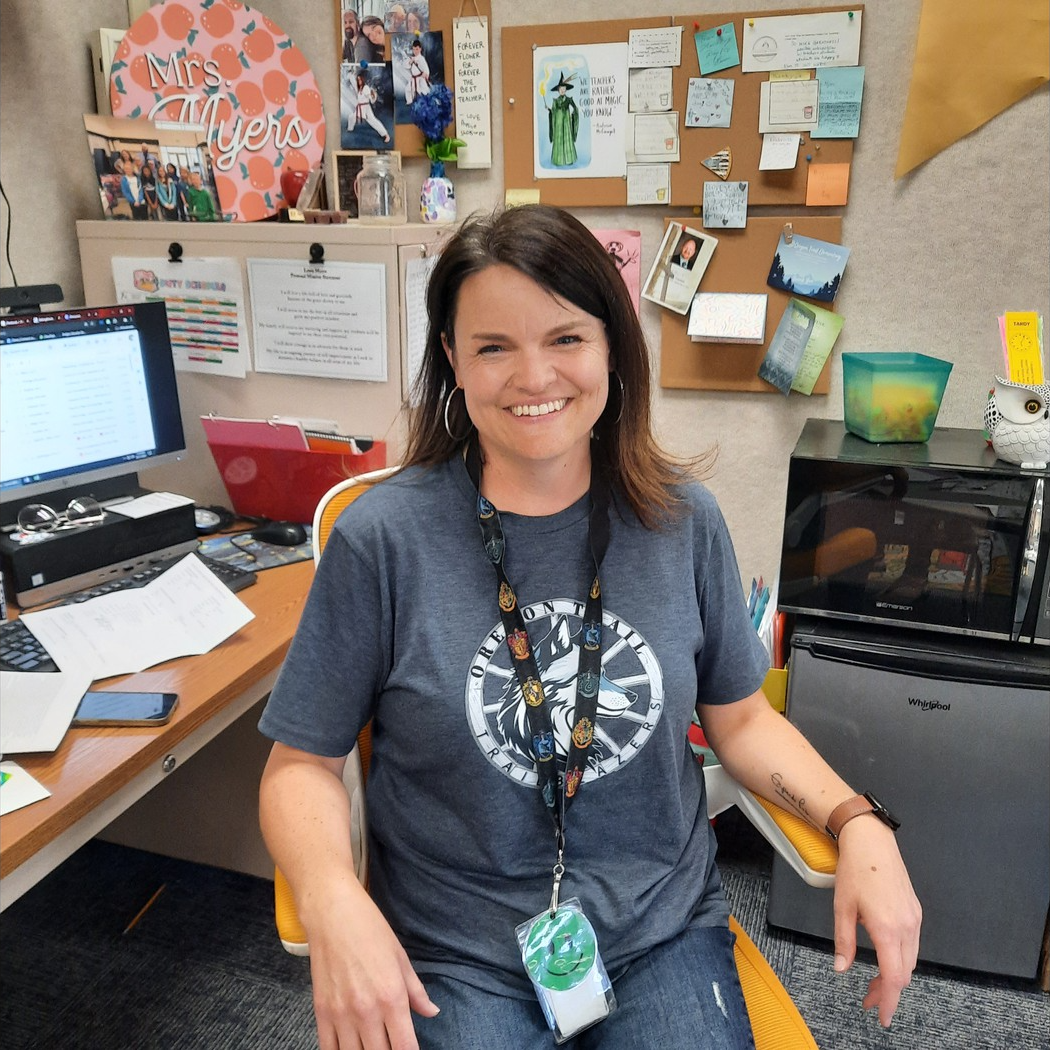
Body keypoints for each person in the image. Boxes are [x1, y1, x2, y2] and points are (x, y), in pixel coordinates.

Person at [258, 204, 921, 1050]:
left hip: (658, 933)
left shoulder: (683, 521)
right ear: (454, 360)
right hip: (455, 949)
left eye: (565, 338)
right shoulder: (383, 540)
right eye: (493, 346)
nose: (534, 376)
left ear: (612, 347)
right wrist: (331, 897)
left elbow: (743, 720)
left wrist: (854, 819)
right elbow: (299, 766)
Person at [547, 71, 579, 167]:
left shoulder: (569, 99)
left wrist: (573, 114)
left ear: (566, 90)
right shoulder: (555, 101)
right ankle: (558, 160)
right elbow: (553, 111)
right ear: (558, 90)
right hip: (558, 124)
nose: (563, 90)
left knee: (567, 139)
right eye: (561, 88)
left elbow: (575, 108)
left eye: (564, 88)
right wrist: (550, 111)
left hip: (567, 124)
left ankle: (569, 159)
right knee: (559, 139)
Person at [350, 71, 390, 143]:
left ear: (363, 80)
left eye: (360, 80)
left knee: (373, 121)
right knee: (351, 117)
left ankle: (386, 135)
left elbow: (371, 100)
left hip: (366, 108)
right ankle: (350, 129)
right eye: (358, 80)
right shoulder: (359, 88)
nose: (359, 81)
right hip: (360, 107)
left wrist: (373, 96)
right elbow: (353, 84)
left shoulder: (366, 88)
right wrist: (351, 75)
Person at [404, 38, 430, 105]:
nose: (415, 51)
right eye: (414, 49)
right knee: (408, 89)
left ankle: (426, 102)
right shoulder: (411, 58)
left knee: (423, 90)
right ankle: (410, 101)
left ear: (420, 49)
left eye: (417, 49)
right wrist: (410, 62)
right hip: (413, 78)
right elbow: (406, 66)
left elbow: (426, 69)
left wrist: (426, 73)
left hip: (420, 78)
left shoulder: (422, 59)